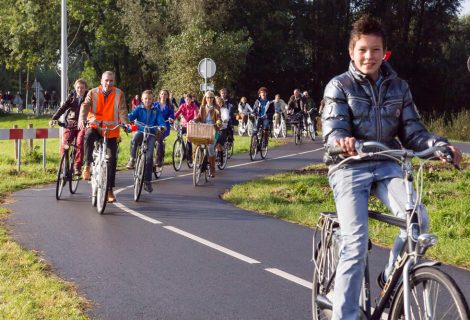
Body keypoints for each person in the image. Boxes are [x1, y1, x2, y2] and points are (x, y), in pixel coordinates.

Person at [321, 15, 462, 320]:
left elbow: (414, 132)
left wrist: (439, 145)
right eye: (362, 50)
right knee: (355, 244)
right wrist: (342, 141)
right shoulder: (339, 86)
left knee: (418, 223)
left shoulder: (399, 86)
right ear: (351, 51)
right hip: (348, 166)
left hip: (387, 165)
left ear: (384, 52)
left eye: (375, 50)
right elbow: (333, 129)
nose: (369, 56)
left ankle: (389, 276)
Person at [78, 71, 130, 203]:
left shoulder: (119, 94)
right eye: (106, 80)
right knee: (88, 136)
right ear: (101, 81)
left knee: (112, 159)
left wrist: (125, 123)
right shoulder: (93, 92)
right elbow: (85, 106)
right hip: (96, 126)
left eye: (111, 81)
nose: (108, 83)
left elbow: (123, 110)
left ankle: (109, 191)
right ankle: (88, 165)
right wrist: (82, 119)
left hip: (111, 131)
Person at [126, 90, 167, 193]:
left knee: (149, 158)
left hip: (151, 134)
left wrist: (162, 127)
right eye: (145, 99)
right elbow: (130, 116)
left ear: (152, 99)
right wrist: (125, 121)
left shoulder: (156, 110)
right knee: (135, 138)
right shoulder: (138, 108)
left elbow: (161, 121)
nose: (147, 101)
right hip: (140, 130)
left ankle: (147, 181)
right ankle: (132, 159)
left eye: (149, 99)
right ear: (142, 99)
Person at [49, 79, 88, 175]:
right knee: (64, 144)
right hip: (70, 124)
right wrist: (54, 118)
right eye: (78, 87)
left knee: (80, 142)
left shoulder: (89, 97)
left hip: (83, 125)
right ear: (75, 88)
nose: (80, 89)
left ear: (85, 88)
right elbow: (63, 108)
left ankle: (77, 166)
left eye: (82, 88)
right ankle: (64, 166)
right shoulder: (71, 97)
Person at [193, 91, 221, 177]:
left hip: (214, 131)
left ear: (213, 99)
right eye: (208, 97)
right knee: (196, 142)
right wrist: (194, 120)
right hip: (204, 130)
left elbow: (219, 117)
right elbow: (198, 117)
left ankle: (212, 169)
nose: (209, 99)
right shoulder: (202, 107)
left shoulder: (216, 108)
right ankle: (197, 162)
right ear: (205, 98)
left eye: (211, 98)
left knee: (210, 147)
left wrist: (218, 121)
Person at [172, 92, 199, 162]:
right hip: (183, 125)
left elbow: (196, 115)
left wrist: (193, 120)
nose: (188, 101)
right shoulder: (182, 106)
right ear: (185, 99)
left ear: (191, 100)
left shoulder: (194, 106)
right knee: (179, 136)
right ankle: (183, 152)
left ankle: (189, 157)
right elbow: (177, 113)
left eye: (189, 100)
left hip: (191, 125)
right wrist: (172, 119)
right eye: (186, 99)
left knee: (189, 139)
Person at [153, 89, 174, 169]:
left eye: (165, 94)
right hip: (154, 126)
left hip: (164, 127)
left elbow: (172, 115)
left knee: (159, 140)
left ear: (167, 96)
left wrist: (171, 118)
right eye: (162, 94)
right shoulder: (154, 104)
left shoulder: (170, 106)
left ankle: (159, 159)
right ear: (159, 95)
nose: (163, 96)